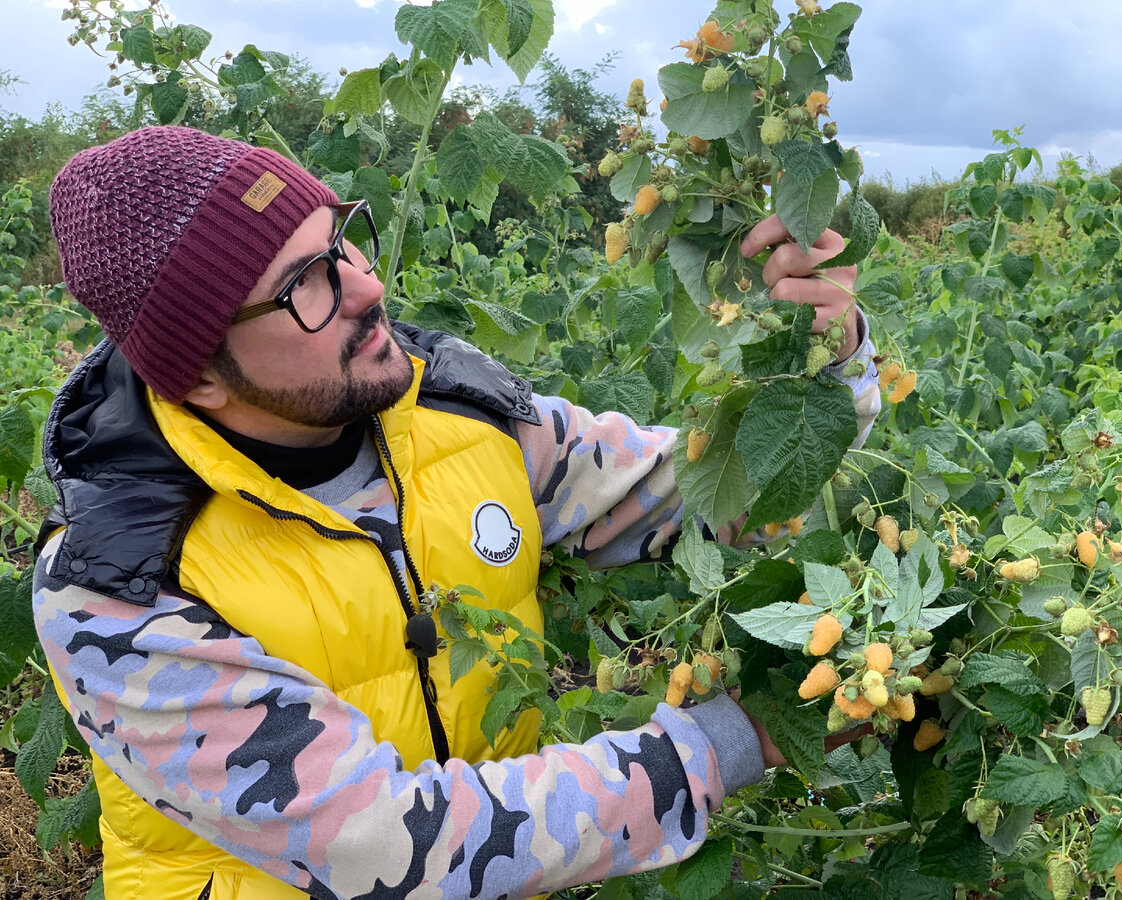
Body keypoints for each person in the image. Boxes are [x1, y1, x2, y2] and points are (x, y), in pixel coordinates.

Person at [32, 125, 880, 900]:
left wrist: (823, 359)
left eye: (342, 240)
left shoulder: (461, 416)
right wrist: (731, 741)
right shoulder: (117, 585)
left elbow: (705, 497)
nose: (366, 286)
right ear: (199, 376)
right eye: (304, 287)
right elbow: (387, 847)